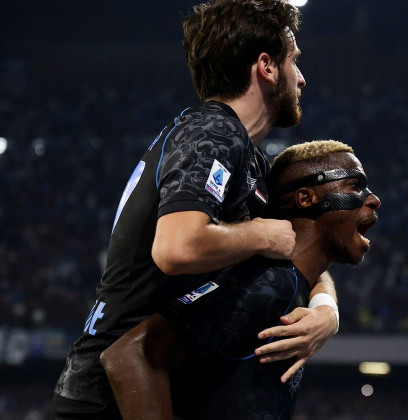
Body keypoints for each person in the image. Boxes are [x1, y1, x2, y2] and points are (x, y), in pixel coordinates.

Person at [52, 1, 339, 418]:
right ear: (266, 67)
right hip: (111, 394)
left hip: (150, 385)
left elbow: (300, 250)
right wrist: (261, 233)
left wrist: (326, 311)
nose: (302, 77)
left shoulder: (250, 158)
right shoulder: (212, 130)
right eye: (294, 61)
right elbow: (177, 248)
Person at [100, 140, 381, 419]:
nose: (373, 199)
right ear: (306, 198)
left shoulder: (291, 283)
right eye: (355, 186)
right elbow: (128, 355)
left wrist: (328, 309)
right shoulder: (268, 282)